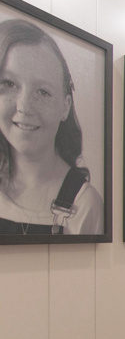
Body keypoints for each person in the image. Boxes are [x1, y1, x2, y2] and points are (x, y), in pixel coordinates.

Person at [0, 19, 102, 235]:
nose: (24, 107)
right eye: (9, 84)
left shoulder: (84, 205)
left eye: (43, 92)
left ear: (65, 107)